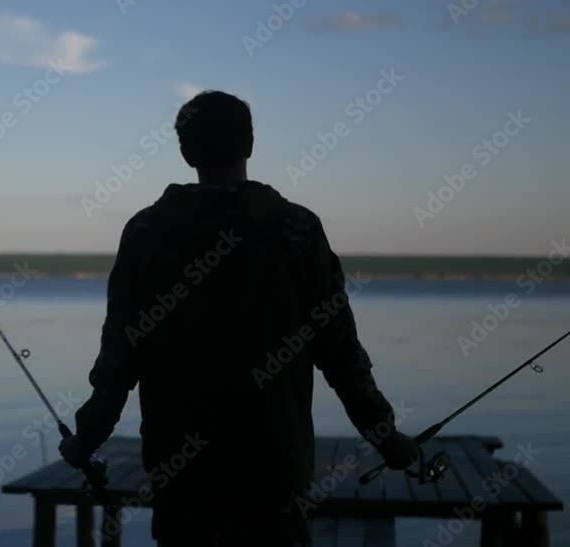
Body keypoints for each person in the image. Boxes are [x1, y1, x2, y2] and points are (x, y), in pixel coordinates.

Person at [58, 91, 420, 546]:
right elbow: (340, 353)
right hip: (274, 467)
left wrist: (87, 436)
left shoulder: (146, 231)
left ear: (186, 152)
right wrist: (386, 437)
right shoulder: (297, 230)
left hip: (179, 468)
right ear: (249, 144)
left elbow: (120, 352)